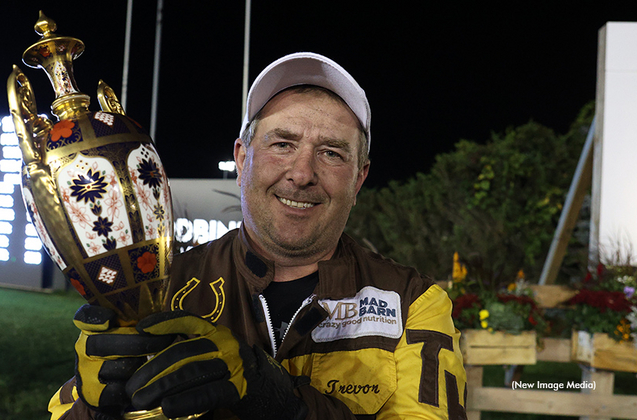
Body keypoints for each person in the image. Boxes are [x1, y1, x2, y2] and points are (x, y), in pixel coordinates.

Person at [49, 52, 467, 420]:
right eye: (282, 144)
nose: (302, 174)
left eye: (332, 153)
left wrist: (281, 403)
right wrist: (96, 409)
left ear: (359, 179)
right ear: (242, 159)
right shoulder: (163, 286)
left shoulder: (414, 303)